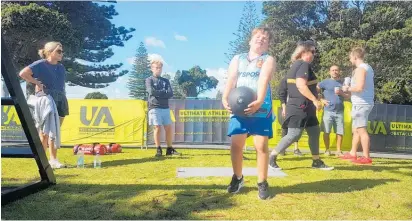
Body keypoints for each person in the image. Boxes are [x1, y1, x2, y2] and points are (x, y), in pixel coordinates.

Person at [222, 27, 276, 200]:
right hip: (238, 107)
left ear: (268, 44)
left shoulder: (268, 59)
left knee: (261, 146)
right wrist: (225, 97)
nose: (261, 40)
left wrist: (259, 100)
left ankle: (262, 182)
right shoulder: (237, 59)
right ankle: (238, 178)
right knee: (236, 145)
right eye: (258, 37)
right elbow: (231, 79)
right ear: (250, 40)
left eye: (265, 39)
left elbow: (263, 79)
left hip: (261, 108)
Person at [268, 40, 334, 171]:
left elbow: (308, 87)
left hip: (305, 107)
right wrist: (315, 101)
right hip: (300, 107)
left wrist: (317, 98)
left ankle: (316, 161)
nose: (314, 55)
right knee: (294, 134)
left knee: (314, 132)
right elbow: (301, 85)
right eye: (313, 51)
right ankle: (272, 157)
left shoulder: (296, 66)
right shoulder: (303, 65)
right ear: (303, 52)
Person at [19, 41, 68, 169]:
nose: (61, 53)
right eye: (59, 51)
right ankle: (42, 160)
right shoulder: (40, 64)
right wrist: (37, 83)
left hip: (60, 98)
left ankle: (53, 160)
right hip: (46, 99)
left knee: (55, 130)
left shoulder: (61, 67)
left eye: (62, 51)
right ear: (49, 52)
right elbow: (23, 73)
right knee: (45, 132)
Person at [341, 47, 374, 165]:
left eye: (350, 57)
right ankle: (353, 153)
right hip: (362, 102)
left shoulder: (361, 69)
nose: (350, 59)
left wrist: (347, 88)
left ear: (355, 57)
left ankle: (366, 156)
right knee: (356, 130)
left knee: (361, 130)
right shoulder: (367, 68)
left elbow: (359, 88)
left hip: (361, 103)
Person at [146, 59, 180, 157]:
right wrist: (163, 92)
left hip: (165, 108)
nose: (158, 70)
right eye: (156, 68)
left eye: (160, 68)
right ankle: (158, 149)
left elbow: (170, 93)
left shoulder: (166, 81)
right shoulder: (149, 80)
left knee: (168, 128)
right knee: (157, 127)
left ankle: (169, 149)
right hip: (154, 107)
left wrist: (159, 92)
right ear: (152, 69)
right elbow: (151, 91)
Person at [317, 65, 350, 156]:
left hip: (340, 111)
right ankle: (327, 150)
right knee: (326, 131)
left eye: (336, 70)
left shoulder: (343, 83)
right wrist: (321, 100)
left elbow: (348, 96)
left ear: (339, 71)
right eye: (333, 70)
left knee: (339, 132)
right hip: (328, 111)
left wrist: (341, 93)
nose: (334, 72)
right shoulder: (325, 82)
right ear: (329, 72)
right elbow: (314, 91)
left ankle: (338, 151)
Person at [278, 76, 303, 156]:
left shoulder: (301, 78)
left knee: (296, 128)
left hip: (298, 108)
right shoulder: (285, 79)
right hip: (287, 107)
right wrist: (284, 107)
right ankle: (282, 150)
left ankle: (296, 149)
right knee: (285, 128)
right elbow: (281, 93)